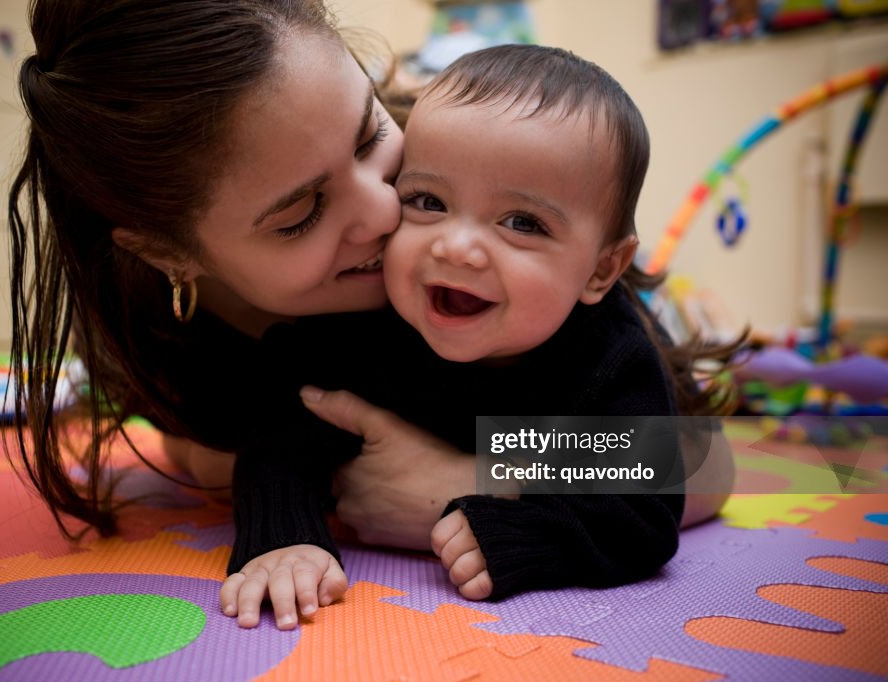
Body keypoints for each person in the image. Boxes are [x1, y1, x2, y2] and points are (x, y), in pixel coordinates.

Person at [7, 0, 735, 632]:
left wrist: (472, 474)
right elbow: (204, 446)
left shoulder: (464, 155)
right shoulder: (149, 326)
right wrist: (258, 481)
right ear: (170, 254)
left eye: (368, 139)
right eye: (299, 214)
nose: (386, 209)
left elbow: (700, 462)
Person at [231, 43, 741, 606]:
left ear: (601, 269)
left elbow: (642, 515)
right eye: (427, 201)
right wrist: (283, 541)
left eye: (522, 222)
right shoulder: (363, 322)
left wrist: (519, 530)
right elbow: (280, 436)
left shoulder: (611, 357)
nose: (456, 247)